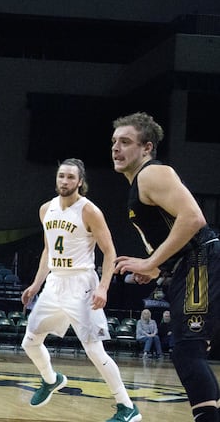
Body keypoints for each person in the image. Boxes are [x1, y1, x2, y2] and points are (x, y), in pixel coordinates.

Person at [111, 112, 220, 422]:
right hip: (190, 265)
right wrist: (156, 269)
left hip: (201, 259)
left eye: (126, 142)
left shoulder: (151, 174)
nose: (117, 148)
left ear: (147, 148)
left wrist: (150, 261)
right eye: (114, 142)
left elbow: (194, 219)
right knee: (190, 350)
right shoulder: (138, 186)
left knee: (187, 349)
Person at [20, 158, 141, 421]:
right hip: (54, 282)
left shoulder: (89, 211)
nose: (64, 181)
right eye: (61, 176)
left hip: (82, 283)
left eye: (70, 178)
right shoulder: (45, 210)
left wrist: (104, 287)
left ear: (80, 182)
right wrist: (36, 284)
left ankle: (127, 406)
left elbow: (110, 252)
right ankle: (51, 380)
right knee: (29, 341)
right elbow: (47, 250)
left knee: (94, 350)